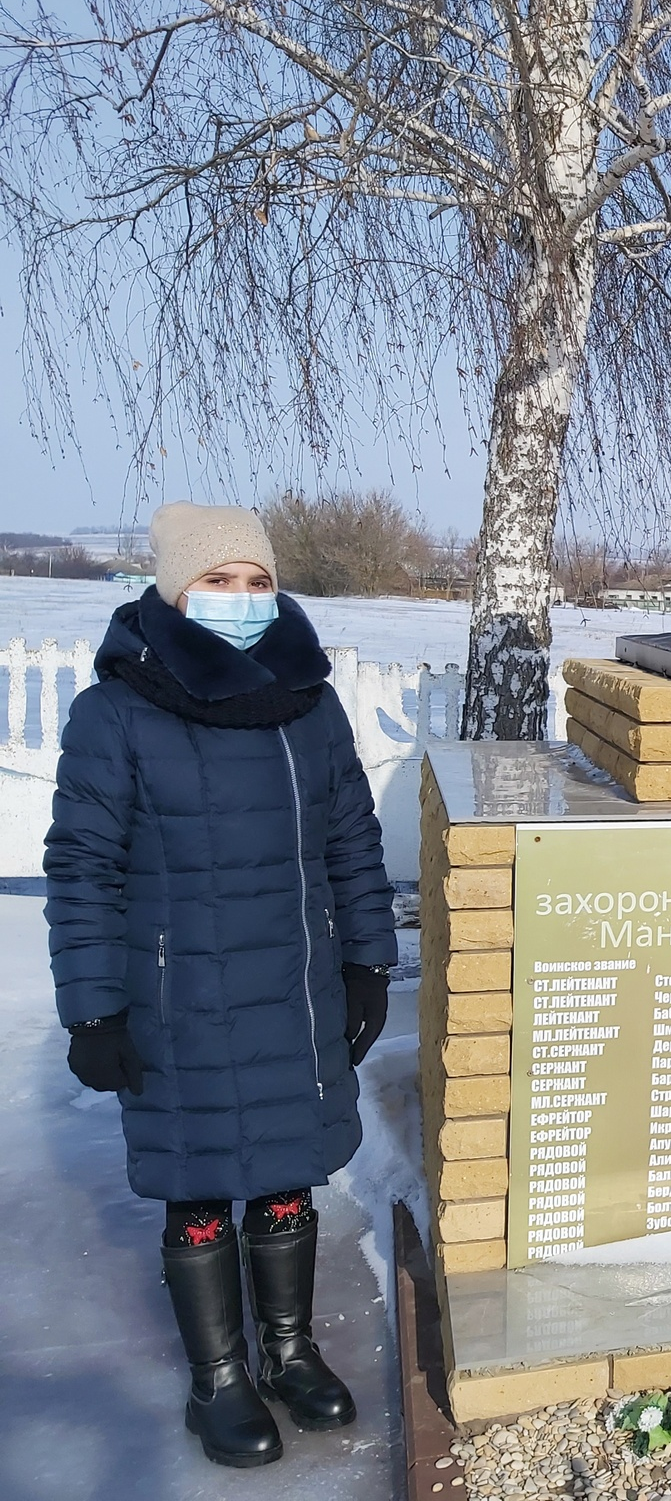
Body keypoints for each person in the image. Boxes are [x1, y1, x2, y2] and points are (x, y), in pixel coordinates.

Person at [45, 502, 397, 1469]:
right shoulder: (117, 712)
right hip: (177, 1000)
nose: (240, 600)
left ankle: (287, 1353)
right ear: (171, 590)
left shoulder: (308, 705)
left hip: (292, 988)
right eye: (217, 581)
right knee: (199, 1183)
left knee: (285, 1173)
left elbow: (351, 842)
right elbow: (82, 867)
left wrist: (367, 959)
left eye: (256, 581)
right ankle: (220, 1379)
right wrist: (94, 1007)